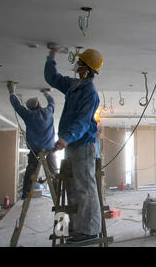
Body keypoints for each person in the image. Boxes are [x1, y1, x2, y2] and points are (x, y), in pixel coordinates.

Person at [44, 47, 104, 243]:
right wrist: (51, 56)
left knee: (85, 188)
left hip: (83, 145)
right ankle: (76, 228)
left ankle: (90, 230)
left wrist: (66, 138)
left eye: (80, 63)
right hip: (71, 145)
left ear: (88, 68)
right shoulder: (74, 85)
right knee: (72, 187)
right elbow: (52, 78)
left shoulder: (90, 92)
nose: (77, 66)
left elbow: (83, 121)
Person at [7, 83, 57, 199]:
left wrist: (11, 92)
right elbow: (52, 103)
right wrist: (46, 93)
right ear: (39, 104)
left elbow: (17, 106)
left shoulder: (28, 115)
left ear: (30, 108)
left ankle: (25, 195)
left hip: (35, 150)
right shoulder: (48, 112)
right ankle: (57, 194)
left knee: (30, 173)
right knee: (53, 173)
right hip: (49, 149)